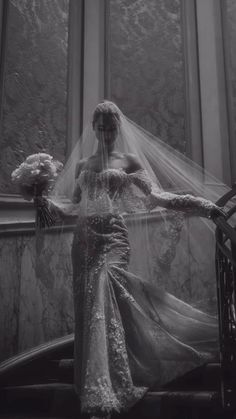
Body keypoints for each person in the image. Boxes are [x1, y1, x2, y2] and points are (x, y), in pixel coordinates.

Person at [47, 101, 225, 418]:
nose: (105, 132)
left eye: (111, 126)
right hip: (85, 241)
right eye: (100, 126)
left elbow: (158, 197)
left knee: (105, 286)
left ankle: (114, 379)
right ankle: (100, 377)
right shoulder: (82, 166)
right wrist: (43, 201)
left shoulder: (128, 161)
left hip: (113, 238)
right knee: (92, 306)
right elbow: (75, 207)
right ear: (93, 128)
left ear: (118, 127)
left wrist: (203, 204)